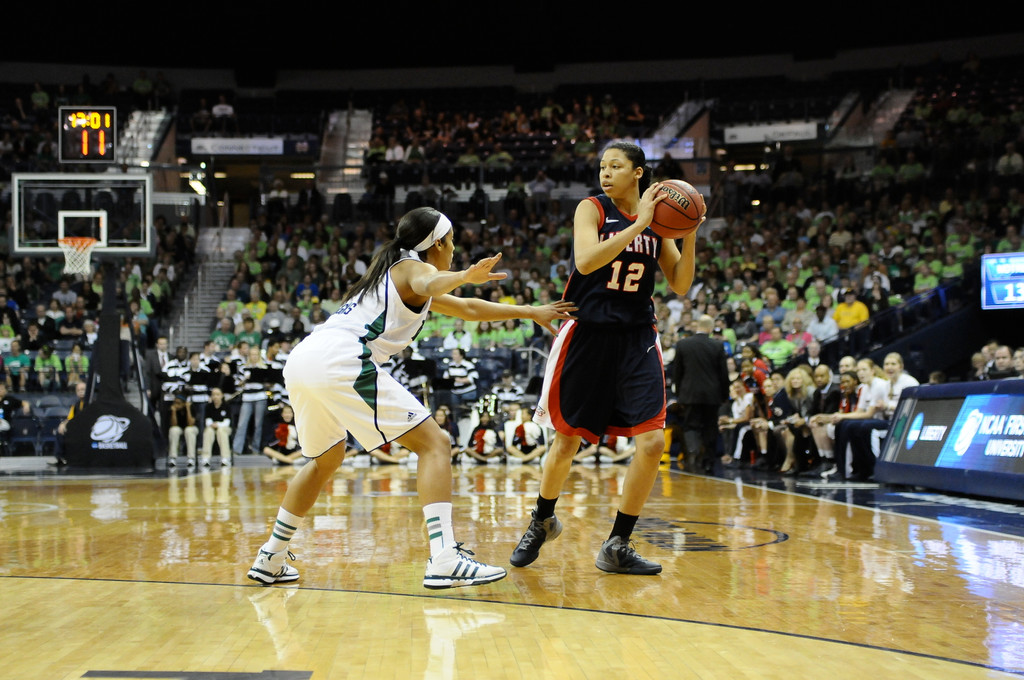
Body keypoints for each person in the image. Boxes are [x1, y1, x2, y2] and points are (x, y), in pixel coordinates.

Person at [246, 206, 575, 590]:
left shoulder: (392, 276)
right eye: (451, 242)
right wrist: (464, 277)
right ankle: (445, 558)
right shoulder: (411, 268)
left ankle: (270, 556)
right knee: (436, 443)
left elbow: (467, 308)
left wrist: (529, 311)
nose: (454, 249)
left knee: (326, 459)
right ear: (437, 244)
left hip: (304, 361)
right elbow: (430, 284)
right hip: (341, 359)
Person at [511, 141, 700, 575]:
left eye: (616, 166)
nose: (605, 173)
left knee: (652, 442)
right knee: (566, 442)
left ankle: (618, 543)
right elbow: (587, 260)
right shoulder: (592, 209)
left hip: (636, 336)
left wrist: (688, 235)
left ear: (639, 173)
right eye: (602, 166)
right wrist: (641, 225)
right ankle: (542, 519)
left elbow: (680, 284)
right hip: (587, 334)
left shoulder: (660, 221)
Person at [672, 314, 730, 473]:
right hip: (712, 395)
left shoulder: (683, 344)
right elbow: (723, 374)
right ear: (711, 328)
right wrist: (724, 395)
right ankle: (708, 461)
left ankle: (693, 453)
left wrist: (679, 394)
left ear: (697, 326)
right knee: (710, 427)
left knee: (691, 426)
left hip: (689, 394)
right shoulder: (717, 345)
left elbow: (677, 373)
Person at [200, 386, 232, 466]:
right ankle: (205, 458)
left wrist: (218, 424)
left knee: (221, 431)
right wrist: (213, 425)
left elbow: (227, 422)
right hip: (212, 427)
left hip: (225, 428)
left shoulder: (226, 406)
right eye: (213, 394)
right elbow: (207, 421)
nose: (215, 397)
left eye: (217, 394)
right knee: (208, 431)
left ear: (222, 395)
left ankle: (225, 458)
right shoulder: (208, 407)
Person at [167, 394, 199, 466]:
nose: (176, 405)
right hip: (179, 428)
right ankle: (173, 457)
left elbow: (190, 423)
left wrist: (188, 409)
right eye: (175, 403)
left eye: (178, 403)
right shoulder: (172, 409)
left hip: (192, 428)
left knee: (189, 430)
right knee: (173, 430)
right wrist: (174, 412)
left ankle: (191, 458)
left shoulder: (191, 407)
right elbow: (173, 424)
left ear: (184, 403)